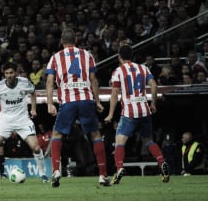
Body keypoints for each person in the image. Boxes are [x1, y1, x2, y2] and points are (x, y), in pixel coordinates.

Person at [45, 28, 110, 188]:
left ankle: (55, 171)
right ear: (76, 40)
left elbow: (49, 81)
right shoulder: (87, 55)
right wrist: (98, 101)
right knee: (95, 135)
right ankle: (102, 175)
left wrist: (49, 103)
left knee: (57, 134)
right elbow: (93, 80)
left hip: (68, 101)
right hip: (86, 99)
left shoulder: (56, 57)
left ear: (62, 41)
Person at [104, 45, 170, 184]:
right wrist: (153, 103)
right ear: (132, 56)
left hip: (130, 112)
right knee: (148, 140)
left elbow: (115, 93)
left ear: (119, 57)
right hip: (144, 109)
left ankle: (120, 168)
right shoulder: (143, 68)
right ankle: (162, 162)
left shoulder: (118, 71)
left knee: (120, 142)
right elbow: (154, 85)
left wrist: (110, 114)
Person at [0, 62, 48, 184]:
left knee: (36, 148)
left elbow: (33, 92)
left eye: (11, 72)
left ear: (16, 72)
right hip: (6, 120)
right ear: (4, 74)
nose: (9, 75)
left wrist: (33, 108)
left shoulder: (24, 82)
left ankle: (43, 174)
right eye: (6, 73)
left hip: (23, 120)